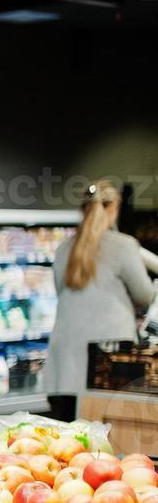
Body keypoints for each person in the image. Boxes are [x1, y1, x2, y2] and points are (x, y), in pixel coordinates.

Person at [44, 180, 157, 422]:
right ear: (114, 208)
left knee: (65, 441)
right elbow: (144, 296)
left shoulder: (64, 248)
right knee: (106, 440)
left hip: (64, 361)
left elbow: (59, 292)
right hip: (107, 360)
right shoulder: (124, 246)